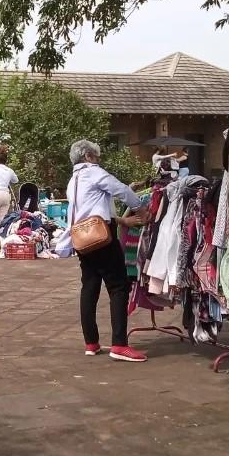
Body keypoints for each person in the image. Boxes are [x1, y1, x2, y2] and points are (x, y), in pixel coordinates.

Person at [56, 139, 147, 363]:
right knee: (118, 287)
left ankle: (91, 342)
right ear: (88, 156)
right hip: (101, 235)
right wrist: (140, 207)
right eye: (95, 156)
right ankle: (119, 344)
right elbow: (120, 190)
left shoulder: (73, 180)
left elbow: (93, 205)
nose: (98, 160)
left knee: (90, 286)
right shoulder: (93, 173)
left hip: (81, 237)